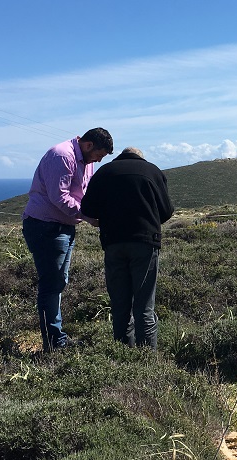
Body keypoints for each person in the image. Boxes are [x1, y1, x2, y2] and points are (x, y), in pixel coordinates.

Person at [22, 128, 114, 352]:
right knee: (51, 284)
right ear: (89, 145)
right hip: (46, 226)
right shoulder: (62, 155)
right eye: (99, 155)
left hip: (63, 226)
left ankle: (56, 338)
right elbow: (59, 196)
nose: (99, 161)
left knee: (58, 282)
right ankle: (54, 343)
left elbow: (83, 193)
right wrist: (88, 216)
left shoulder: (85, 159)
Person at [80, 147, 174, 351]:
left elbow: (87, 209)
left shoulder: (104, 172)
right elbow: (166, 211)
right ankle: (147, 358)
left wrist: (107, 218)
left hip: (113, 243)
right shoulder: (153, 171)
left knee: (120, 304)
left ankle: (123, 354)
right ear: (141, 157)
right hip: (145, 243)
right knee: (144, 306)